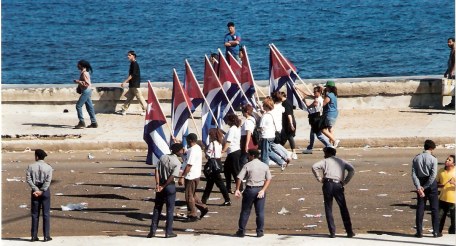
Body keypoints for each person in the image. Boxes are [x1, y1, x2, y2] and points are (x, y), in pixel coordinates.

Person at [311, 147, 355, 238]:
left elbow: (314, 166)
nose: (324, 155)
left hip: (327, 184)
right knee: (343, 208)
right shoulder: (341, 161)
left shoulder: (325, 161)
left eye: (325, 153)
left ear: (328, 153)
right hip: (338, 185)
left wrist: (319, 178)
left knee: (328, 208)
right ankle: (349, 231)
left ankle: (332, 232)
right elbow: (351, 170)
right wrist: (345, 181)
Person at [147, 143, 184, 238]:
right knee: (170, 210)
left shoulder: (163, 157)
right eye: (181, 150)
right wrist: (164, 186)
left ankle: (152, 230)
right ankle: (168, 232)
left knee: (157, 208)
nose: (182, 152)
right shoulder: (177, 162)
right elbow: (172, 177)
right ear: (178, 151)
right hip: (169, 186)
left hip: (160, 185)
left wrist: (158, 184)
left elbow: (157, 171)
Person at [235, 149, 272, 238]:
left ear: (252, 156)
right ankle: (259, 231)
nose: (248, 157)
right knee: (260, 212)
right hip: (260, 189)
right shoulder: (264, 165)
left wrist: (237, 189)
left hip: (250, 189)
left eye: (249, 155)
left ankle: (241, 231)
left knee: (245, 211)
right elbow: (269, 179)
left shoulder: (247, 165)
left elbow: (239, 178)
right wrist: (263, 190)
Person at [411, 139, 441, 238]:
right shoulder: (433, 159)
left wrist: (419, 187)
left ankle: (419, 232)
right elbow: (433, 175)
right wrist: (425, 187)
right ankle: (436, 231)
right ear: (432, 148)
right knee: (434, 208)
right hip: (431, 184)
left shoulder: (416, 158)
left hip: (420, 182)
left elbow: (414, 174)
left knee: (420, 208)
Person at [178, 133, 209, 222]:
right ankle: (203, 208)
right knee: (193, 194)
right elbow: (186, 156)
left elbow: (189, 165)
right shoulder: (197, 148)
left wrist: (182, 176)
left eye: (187, 140)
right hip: (196, 174)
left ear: (190, 140)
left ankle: (192, 214)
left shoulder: (192, 150)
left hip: (191, 175)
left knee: (189, 195)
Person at [26, 149, 53, 242]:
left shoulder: (30, 166)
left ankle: (34, 236)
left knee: (35, 214)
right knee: (46, 214)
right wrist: (41, 190)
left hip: (35, 191)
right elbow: (48, 181)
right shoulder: (49, 167)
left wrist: (36, 189)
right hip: (45, 191)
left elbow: (28, 179)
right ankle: (46, 236)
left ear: (36, 156)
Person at [296, 86, 332, 154]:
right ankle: (310, 148)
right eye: (314, 92)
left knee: (319, 135)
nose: (314, 93)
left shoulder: (316, 100)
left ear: (319, 92)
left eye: (315, 92)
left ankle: (329, 145)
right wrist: (299, 89)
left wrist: (303, 100)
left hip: (315, 118)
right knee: (312, 134)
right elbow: (307, 94)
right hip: (316, 117)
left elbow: (308, 106)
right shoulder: (320, 98)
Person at [202, 128, 231, 206]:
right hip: (217, 162)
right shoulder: (219, 143)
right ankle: (204, 200)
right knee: (210, 183)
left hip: (213, 164)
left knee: (219, 183)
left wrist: (205, 150)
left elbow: (208, 155)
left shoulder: (212, 144)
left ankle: (227, 199)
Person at [259, 97, 288, 171]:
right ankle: (281, 162)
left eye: (264, 105)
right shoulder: (272, 113)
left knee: (264, 154)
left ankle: (265, 170)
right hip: (272, 135)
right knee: (269, 152)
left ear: (266, 106)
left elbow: (261, 127)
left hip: (266, 136)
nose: (262, 106)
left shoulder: (265, 116)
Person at [117, 50, 147, 116]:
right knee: (129, 97)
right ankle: (124, 109)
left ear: (133, 56)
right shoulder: (132, 64)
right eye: (128, 55)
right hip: (132, 84)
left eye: (129, 55)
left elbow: (132, 75)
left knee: (139, 97)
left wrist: (124, 82)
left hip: (135, 84)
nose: (128, 56)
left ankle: (146, 110)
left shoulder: (135, 64)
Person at [73, 60, 98, 129]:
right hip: (87, 90)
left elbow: (87, 84)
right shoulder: (83, 73)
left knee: (78, 105)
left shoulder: (85, 73)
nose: (77, 66)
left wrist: (78, 82)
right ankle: (94, 123)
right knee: (90, 107)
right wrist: (79, 86)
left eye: (78, 64)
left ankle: (81, 122)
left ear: (82, 65)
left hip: (86, 91)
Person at [222, 114, 242, 194]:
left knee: (235, 170)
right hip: (233, 151)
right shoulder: (236, 128)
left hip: (233, 151)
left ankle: (240, 188)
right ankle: (228, 187)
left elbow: (228, 141)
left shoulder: (232, 129)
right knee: (227, 169)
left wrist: (223, 151)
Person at [437, 155, 455, 235]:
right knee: (439, 218)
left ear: (453, 163)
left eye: (449, 160)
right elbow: (436, 182)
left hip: (454, 200)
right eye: (446, 159)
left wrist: (453, 183)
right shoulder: (441, 171)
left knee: (454, 221)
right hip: (442, 198)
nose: (447, 160)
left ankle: (452, 235)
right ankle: (438, 233)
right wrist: (439, 185)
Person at [320, 81, 340, 148]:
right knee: (330, 129)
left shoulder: (330, 95)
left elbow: (323, 104)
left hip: (329, 113)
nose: (326, 88)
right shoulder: (334, 94)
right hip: (334, 113)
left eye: (327, 87)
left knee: (323, 129)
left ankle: (334, 140)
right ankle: (330, 145)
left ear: (329, 87)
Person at [280, 91, 298, 159]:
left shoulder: (285, 103)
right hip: (288, 122)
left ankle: (294, 152)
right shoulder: (288, 101)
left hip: (289, 122)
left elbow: (289, 114)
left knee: (289, 136)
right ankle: (280, 151)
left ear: (282, 96)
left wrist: (291, 124)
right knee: (284, 137)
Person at [444, 38, 455, 108]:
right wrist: (447, 71)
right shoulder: (452, 50)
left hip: (454, 73)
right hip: (451, 72)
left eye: (450, 42)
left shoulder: (455, 50)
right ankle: (453, 103)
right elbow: (451, 62)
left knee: (454, 88)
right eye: (448, 43)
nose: (448, 44)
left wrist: (452, 71)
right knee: (452, 88)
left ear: (454, 42)